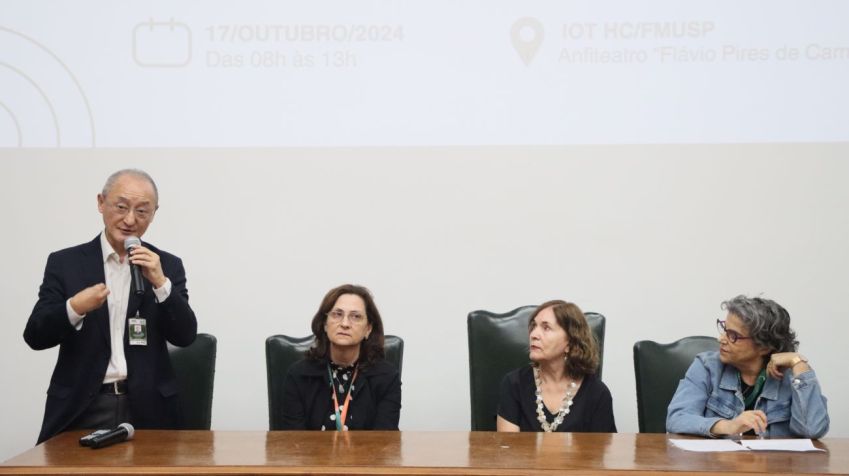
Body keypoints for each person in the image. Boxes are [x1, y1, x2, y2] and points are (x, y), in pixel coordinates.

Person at [23, 169, 197, 444]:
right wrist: (74, 307)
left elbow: (185, 336)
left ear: (154, 214)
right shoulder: (66, 263)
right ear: (101, 203)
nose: (130, 220)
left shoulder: (166, 265)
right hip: (82, 406)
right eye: (121, 207)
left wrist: (161, 284)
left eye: (142, 211)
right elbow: (35, 335)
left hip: (149, 408)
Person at [667, 295, 829, 438]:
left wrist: (798, 363)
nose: (721, 339)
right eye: (724, 329)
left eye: (733, 336)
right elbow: (677, 419)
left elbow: (812, 430)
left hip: (773, 463)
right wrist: (728, 426)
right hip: (718, 461)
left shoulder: (793, 376)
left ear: (764, 346)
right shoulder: (707, 366)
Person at [279, 284, 401, 431]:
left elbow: (385, 439)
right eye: (337, 314)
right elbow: (293, 439)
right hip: (308, 448)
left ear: (368, 329)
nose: (345, 324)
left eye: (356, 316)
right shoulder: (298, 375)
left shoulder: (387, 377)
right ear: (325, 324)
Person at [497, 300, 616, 432]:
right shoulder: (514, 384)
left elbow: (601, 446)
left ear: (570, 343)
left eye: (546, 328)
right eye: (534, 326)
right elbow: (508, 444)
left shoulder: (597, 394)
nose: (533, 335)